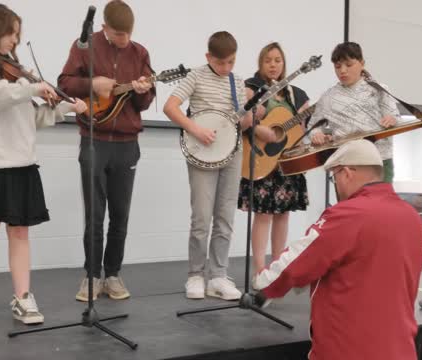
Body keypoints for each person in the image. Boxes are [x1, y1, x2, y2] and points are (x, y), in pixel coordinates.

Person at [0, 3, 87, 330]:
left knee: (20, 234)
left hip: (21, 163)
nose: (15, 41)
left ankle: (23, 297)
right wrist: (30, 87)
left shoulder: (14, 69)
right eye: (10, 33)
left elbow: (30, 115)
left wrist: (65, 109)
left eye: (17, 35)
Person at [255, 139, 422, 359]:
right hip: (400, 349)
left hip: (348, 349)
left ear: (346, 173)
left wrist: (263, 287)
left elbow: (298, 260)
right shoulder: (412, 217)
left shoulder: (348, 214)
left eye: (334, 177)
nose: (336, 185)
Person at [163, 31, 274, 300]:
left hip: (232, 153)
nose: (226, 68)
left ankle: (219, 276)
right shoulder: (196, 75)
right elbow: (170, 107)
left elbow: (239, 120)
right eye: (221, 63)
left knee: (225, 218)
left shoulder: (237, 81)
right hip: (202, 152)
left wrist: (252, 114)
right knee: (201, 218)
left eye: (232, 62)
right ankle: (195, 275)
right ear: (208, 57)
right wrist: (195, 129)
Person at [58, 0, 155, 302]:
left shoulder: (140, 53)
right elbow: (64, 83)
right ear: (104, 28)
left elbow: (146, 101)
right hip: (93, 139)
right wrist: (93, 83)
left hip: (127, 144)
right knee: (95, 214)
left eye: (128, 34)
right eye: (118, 34)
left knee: (120, 214)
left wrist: (142, 91)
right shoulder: (85, 47)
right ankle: (91, 275)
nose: (125, 40)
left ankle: (113, 274)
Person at [237, 42, 310, 286]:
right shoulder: (252, 88)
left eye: (277, 60)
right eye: (268, 60)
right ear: (260, 63)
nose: (273, 64)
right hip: (261, 160)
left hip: (286, 162)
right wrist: (261, 131)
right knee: (263, 215)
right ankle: (259, 270)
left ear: (284, 63)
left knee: (283, 215)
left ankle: (277, 267)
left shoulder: (295, 94)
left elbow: (300, 130)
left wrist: (306, 122)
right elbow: (243, 120)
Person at [308, 42, 400, 183]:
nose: (342, 71)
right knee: (350, 206)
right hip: (345, 163)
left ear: (362, 63)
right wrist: (317, 134)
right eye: (338, 67)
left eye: (349, 65)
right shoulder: (328, 96)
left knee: (378, 204)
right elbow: (313, 126)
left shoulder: (379, 89)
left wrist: (392, 119)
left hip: (379, 160)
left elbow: (396, 118)